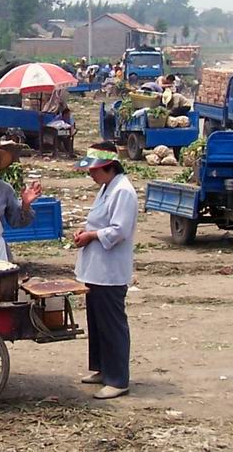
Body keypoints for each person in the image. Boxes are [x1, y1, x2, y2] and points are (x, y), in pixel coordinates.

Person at [73, 142, 138, 400]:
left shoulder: (123, 191)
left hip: (110, 271)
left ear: (109, 168)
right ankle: (102, 368)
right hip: (95, 269)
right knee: (97, 322)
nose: (91, 174)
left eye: (95, 170)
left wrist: (91, 235)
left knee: (112, 324)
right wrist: (85, 231)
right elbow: (99, 221)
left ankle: (118, 378)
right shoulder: (106, 188)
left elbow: (119, 230)